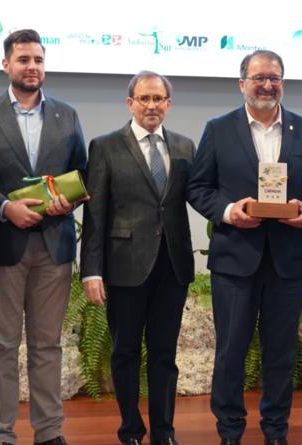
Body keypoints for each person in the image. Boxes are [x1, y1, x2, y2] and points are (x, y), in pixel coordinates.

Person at [187, 49, 302, 445]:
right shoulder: (218, 129)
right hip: (235, 260)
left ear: (282, 82)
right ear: (242, 84)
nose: (267, 84)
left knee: (281, 354)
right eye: (259, 78)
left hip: (286, 262)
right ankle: (230, 431)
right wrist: (230, 211)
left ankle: (275, 431)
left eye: (274, 77)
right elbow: (197, 187)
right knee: (231, 353)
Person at [0, 29, 87, 445]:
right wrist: (3, 208)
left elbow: (81, 175)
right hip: (2, 246)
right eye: (23, 60)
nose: (32, 67)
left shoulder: (66, 115)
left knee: (47, 346)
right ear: (6, 65)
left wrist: (67, 201)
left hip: (55, 246)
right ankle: (1, 433)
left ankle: (49, 432)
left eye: (38, 60)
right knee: (0, 346)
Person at [81, 71, 195, 445]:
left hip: (172, 267)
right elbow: (95, 214)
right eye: (143, 99)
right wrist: (91, 271)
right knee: (125, 351)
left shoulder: (184, 146)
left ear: (168, 104)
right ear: (129, 103)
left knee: (165, 354)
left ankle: (164, 432)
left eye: (158, 98)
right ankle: (130, 429)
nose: (151, 105)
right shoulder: (105, 146)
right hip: (124, 267)